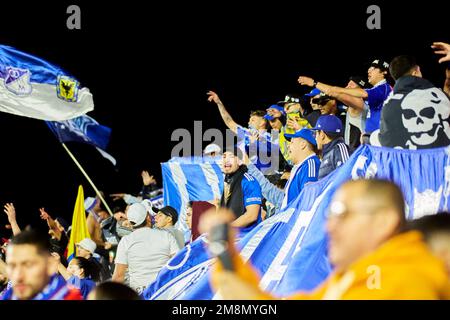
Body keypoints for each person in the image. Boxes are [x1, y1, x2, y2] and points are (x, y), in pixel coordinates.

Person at [205, 180, 450, 300]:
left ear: (383, 221)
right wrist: (224, 254)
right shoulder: (355, 279)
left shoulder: (404, 278)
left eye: (341, 213)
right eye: (329, 215)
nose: (329, 225)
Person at [372, 55, 450, 149]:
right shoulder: (441, 96)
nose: (419, 122)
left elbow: (385, 140)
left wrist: (369, 137)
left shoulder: (388, 104)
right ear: (416, 71)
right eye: (409, 115)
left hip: (405, 161)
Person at [299, 58, 392, 136]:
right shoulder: (376, 93)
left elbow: (338, 93)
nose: (369, 70)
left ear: (384, 72)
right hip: (367, 142)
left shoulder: (383, 89)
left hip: (367, 145)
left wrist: (315, 83)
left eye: (374, 68)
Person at [244, 129, 320, 213]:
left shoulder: (311, 164)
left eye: (292, 142)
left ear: (303, 145)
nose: (288, 146)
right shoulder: (299, 167)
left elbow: (308, 206)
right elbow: (282, 200)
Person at [112, 203, 179, 294]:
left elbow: (118, 277)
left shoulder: (126, 241)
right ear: (148, 217)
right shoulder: (166, 236)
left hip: (141, 294)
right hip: (165, 290)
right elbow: (178, 263)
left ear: (131, 223)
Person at [1, 230, 82, 300]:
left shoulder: (69, 297)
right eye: (12, 266)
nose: (18, 276)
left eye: (28, 265)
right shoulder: (8, 296)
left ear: (50, 265)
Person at [220, 147, 263, 239]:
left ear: (239, 161)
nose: (226, 160)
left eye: (231, 156)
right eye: (224, 157)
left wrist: (226, 230)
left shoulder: (248, 181)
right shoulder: (228, 182)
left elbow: (251, 215)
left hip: (247, 239)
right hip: (230, 240)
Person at [311, 115, 350, 179]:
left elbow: (347, 177)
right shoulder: (327, 154)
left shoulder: (340, 148)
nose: (315, 138)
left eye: (316, 133)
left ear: (322, 134)